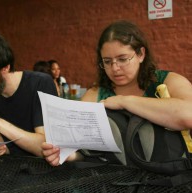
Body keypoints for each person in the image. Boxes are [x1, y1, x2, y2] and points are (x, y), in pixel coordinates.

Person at [42, 20, 192, 166]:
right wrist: (71, 155)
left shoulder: (168, 82)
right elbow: (83, 147)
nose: (115, 68)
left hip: (171, 179)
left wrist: (124, 101)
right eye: (107, 61)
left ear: (141, 54)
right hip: (117, 184)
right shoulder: (95, 94)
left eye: (122, 59)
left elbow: (188, 115)